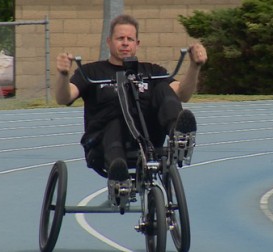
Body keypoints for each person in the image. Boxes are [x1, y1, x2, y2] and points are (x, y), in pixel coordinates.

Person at [55, 14, 207, 185]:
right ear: (109, 41)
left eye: (130, 39)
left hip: (147, 140)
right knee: (114, 122)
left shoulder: (152, 71)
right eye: (120, 38)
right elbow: (64, 97)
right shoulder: (91, 72)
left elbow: (182, 94)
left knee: (163, 88)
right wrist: (63, 75)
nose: (125, 43)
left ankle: (179, 137)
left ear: (137, 43)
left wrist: (195, 66)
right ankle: (118, 172)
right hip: (104, 144)